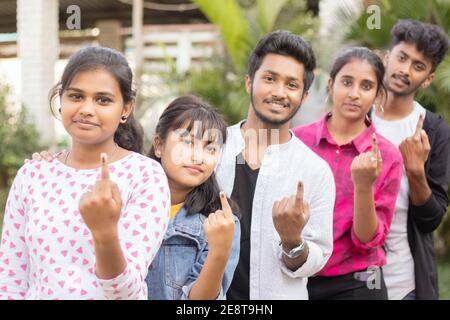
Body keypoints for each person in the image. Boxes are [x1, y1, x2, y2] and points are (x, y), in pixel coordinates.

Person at [0, 47, 170, 300]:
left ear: (126, 109)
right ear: (61, 100)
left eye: (103, 100)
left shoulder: (145, 176)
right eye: (76, 96)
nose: (86, 109)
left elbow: (127, 293)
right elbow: (10, 281)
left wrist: (104, 232)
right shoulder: (33, 175)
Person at [215, 30, 336, 300]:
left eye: (292, 85)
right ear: (249, 82)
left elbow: (317, 258)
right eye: (269, 79)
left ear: (303, 96)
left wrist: (293, 241)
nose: (279, 92)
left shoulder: (314, 170)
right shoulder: (213, 149)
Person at [293, 47, 403, 299]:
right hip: (296, 277)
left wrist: (363, 186)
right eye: (346, 82)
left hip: (357, 284)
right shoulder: (298, 141)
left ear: (377, 96)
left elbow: (366, 240)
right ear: (331, 86)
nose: (354, 94)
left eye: (366, 86)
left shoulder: (388, 156)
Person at [370, 19, 450, 300]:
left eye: (418, 66)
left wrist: (415, 171)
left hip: (405, 284)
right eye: (402, 58)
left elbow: (432, 220)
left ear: (428, 78)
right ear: (387, 57)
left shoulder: (434, 130)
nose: (405, 70)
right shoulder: (356, 116)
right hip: (347, 281)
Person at [145, 95, 240, 300]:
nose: (198, 157)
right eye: (187, 142)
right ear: (159, 145)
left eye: (211, 148)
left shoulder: (221, 222)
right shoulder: (126, 201)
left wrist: (219, 251)